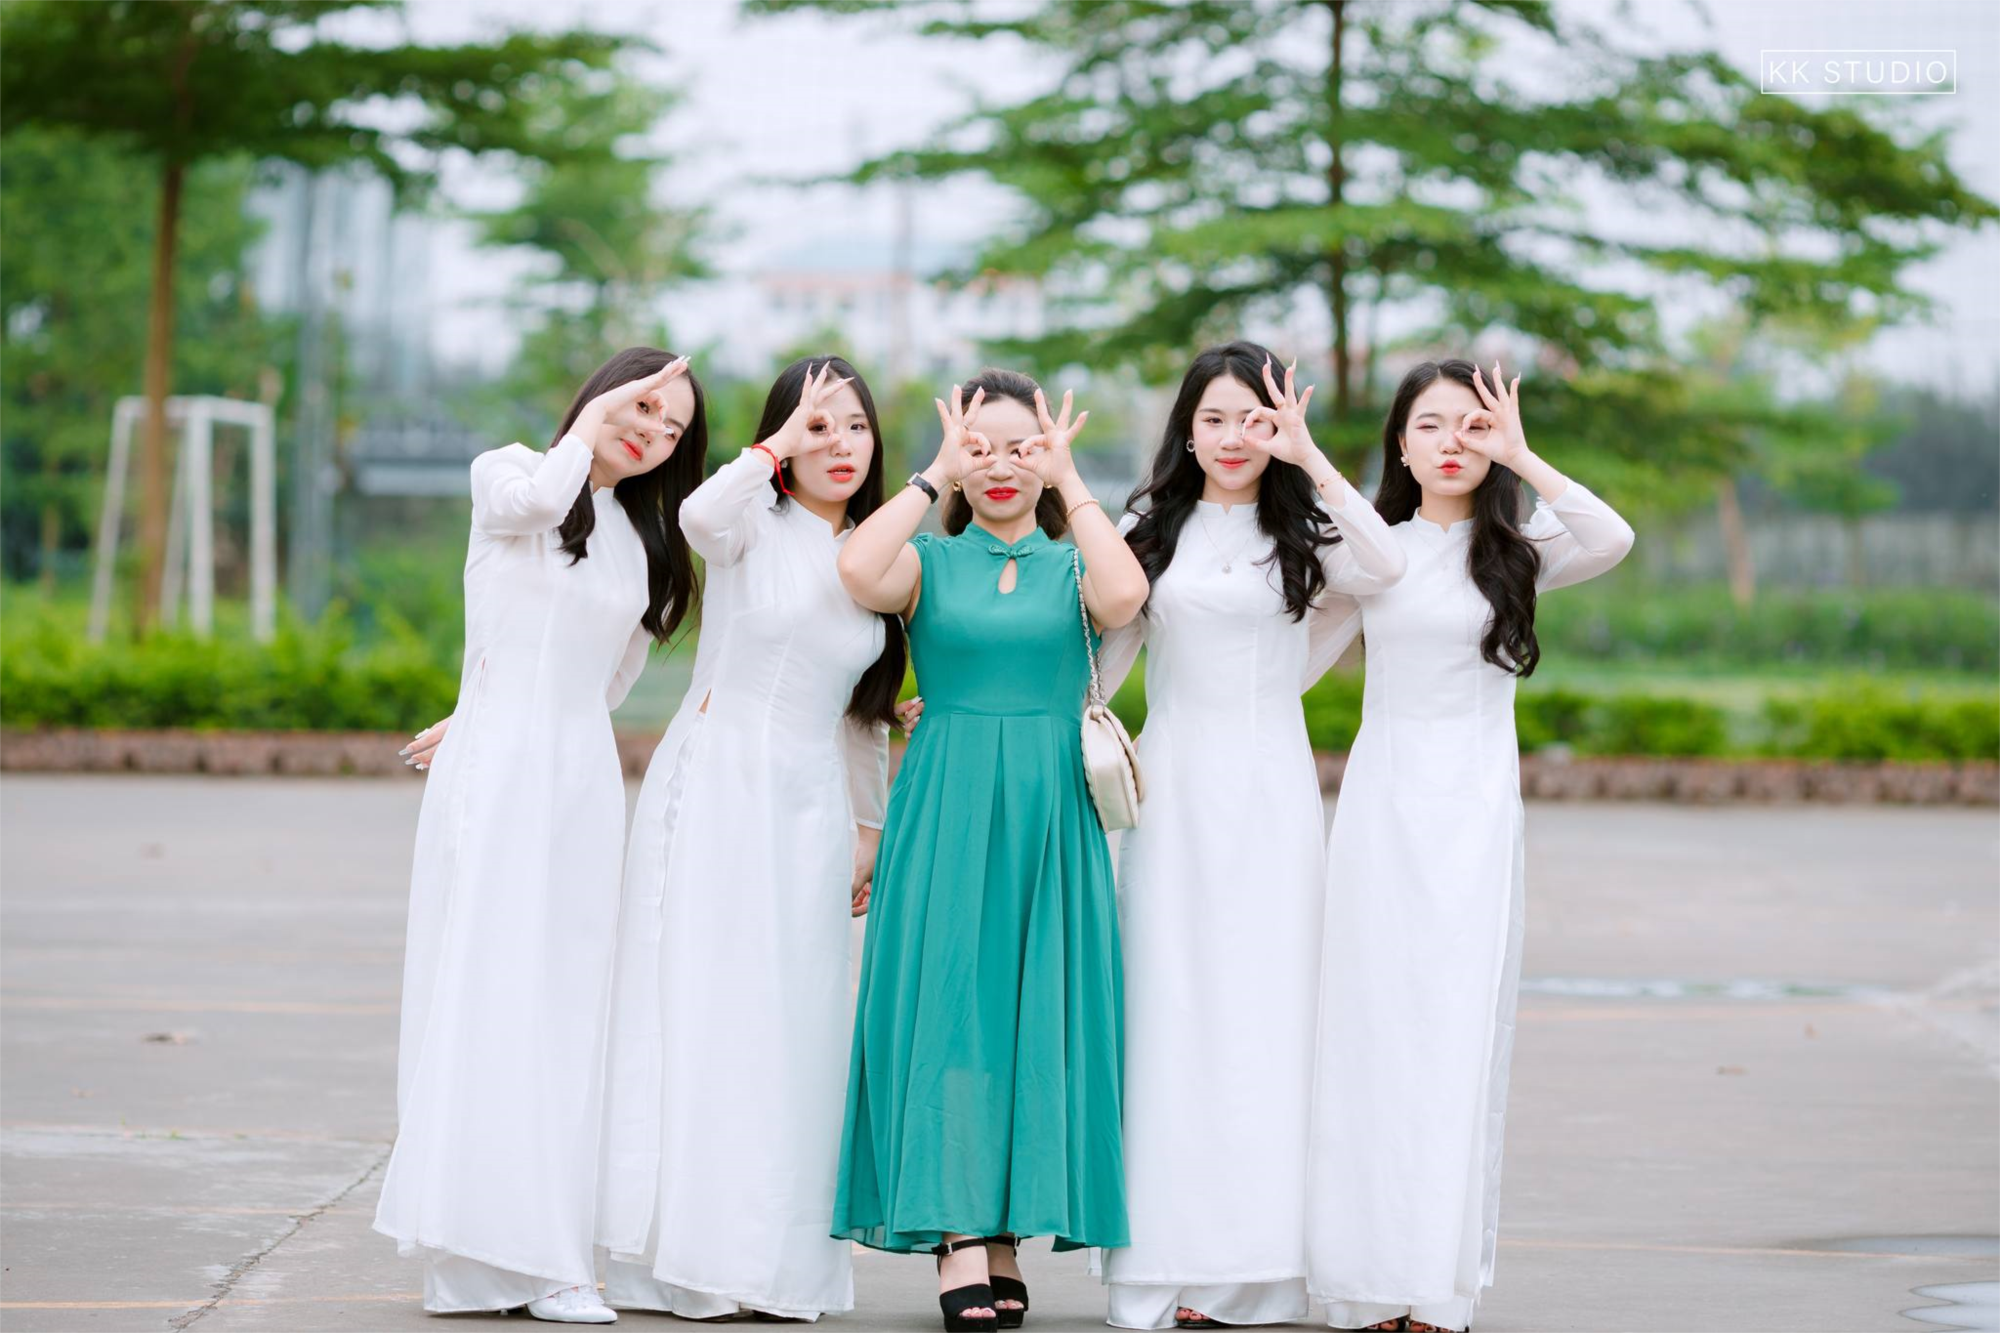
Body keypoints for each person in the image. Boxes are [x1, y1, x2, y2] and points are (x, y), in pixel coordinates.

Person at [375, 349, 707, 1323]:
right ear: (600, 396)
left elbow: (603, 681)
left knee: (566, 1009)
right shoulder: (511, 470)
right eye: (641, 406)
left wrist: (483, 700)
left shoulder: (640, 543)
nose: (652, 432)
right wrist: (486, 712)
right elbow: (531, 511)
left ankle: (549, 1251)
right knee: (484, 991)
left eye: (673, 428)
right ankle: (480, 1255)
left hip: (580, 782)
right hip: (497, 777)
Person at [1304, 359, 1636, 1333]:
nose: (1451, 441)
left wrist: (1523, 456)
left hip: (1473, 822)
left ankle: (1437, 1286)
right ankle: (1370, 1279)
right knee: (1371, 1033)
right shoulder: (1373, 551)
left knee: (1452, 1038)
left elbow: (1611, 536)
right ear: (1399, 446)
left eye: (1471, 425)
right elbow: (1285, 659)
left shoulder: (1518, 551)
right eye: (1429, 424)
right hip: (1380, 815)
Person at [1094, 344, 1407, 1331]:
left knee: (1270, 1014)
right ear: (1186, 429)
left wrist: (1311, 457)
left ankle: (1259, 1269)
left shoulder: (1308, 535)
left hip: (1272, 794)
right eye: (1216, 418)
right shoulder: (1147, 532)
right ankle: (1163, 1265)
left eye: (1257, 418)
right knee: (1168, 1010)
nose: (1235, 437)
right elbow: (1097, 666)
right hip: (1173, 792)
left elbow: (1385, 566)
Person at [830, 370, 1149, 1332]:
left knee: (1027, 1018)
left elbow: (1126, 595)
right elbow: (857, 570)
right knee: (950, 1010)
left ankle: (1002, 1230)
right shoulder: (926, 559)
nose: (1001, 464)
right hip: (946, 804)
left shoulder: (1073, 564)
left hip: (1052, 813)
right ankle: (957, 1231)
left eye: (1022, 447)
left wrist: (1071, 479)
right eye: (982, 446)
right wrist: (934, 470)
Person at [596, 357, 903, 1321]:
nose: (840, 444)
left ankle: (773, 1258)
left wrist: (869, 825)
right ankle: (688, 1253)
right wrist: (772, 449)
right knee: (708, 1006)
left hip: (812, 806)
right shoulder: (748, 526)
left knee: (796, 1022)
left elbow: (864, 714)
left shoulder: (877, 553)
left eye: (855, 425)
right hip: (720, 785)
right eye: (818, 425)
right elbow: (697, 516)